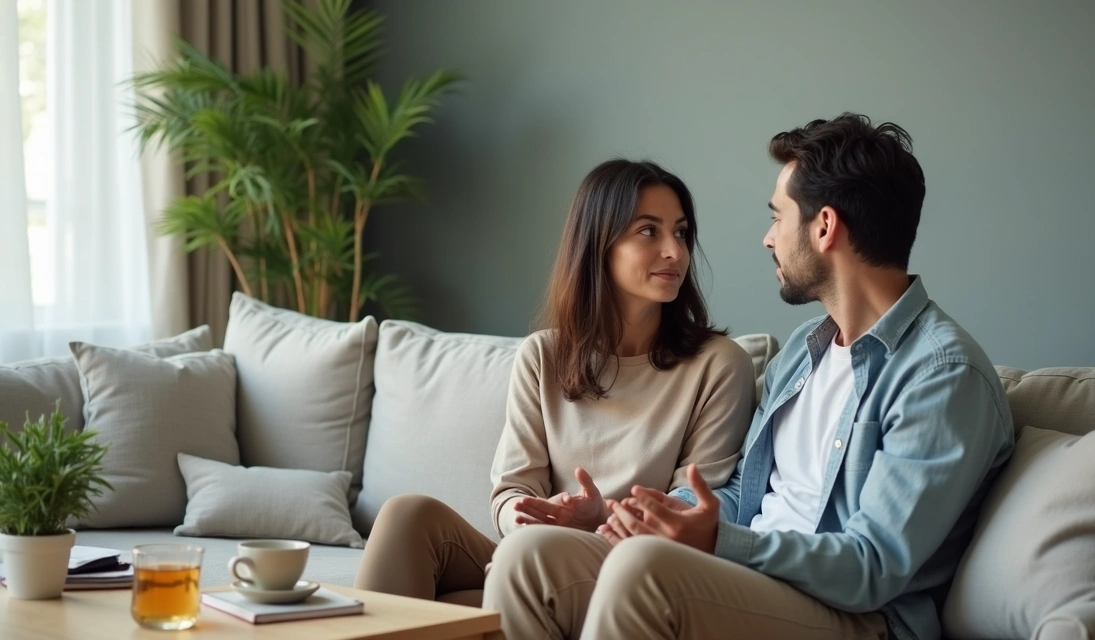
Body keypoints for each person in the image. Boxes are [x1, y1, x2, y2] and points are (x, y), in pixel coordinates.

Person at [482, 113, 1015, 640]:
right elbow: (741, 495)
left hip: (857, 617)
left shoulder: (941, 375)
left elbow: (872, 567)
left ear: (824, 227)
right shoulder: (805, 352)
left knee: (643, 571)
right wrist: (647, 517)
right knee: (530, 558)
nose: (768, 239)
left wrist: (721, 542)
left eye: (778, 217)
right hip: (752, 581)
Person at [353, 158, 756, 606]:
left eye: (680, 233)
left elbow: (692, 507)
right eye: (649, 231)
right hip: (535, 551)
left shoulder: (720, 365)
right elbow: (513, 489)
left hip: (633, 566)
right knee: (407, 515)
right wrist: (533, 518)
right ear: (599, 244)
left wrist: (598, 518)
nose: (675, 252)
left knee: (513, 569)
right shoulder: (543, 355)